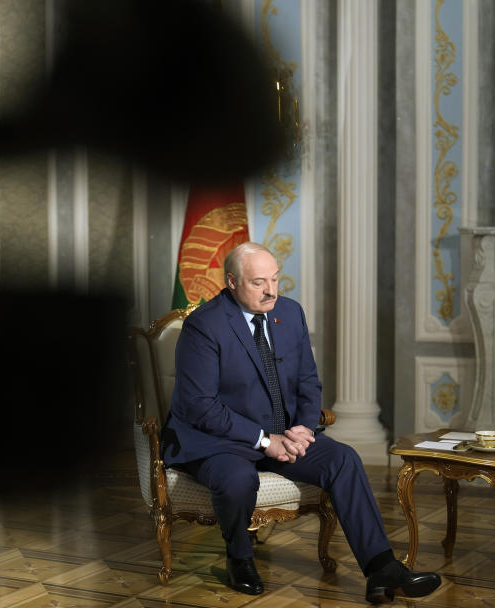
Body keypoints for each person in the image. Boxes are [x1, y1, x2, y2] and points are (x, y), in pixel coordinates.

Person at [160, 242, 440, 604]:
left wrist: (305, 429)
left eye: (275, 279)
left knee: (344, 459)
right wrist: (264, 440)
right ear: (231, 282)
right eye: (259, 282)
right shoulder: (204, 325)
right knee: (237, 479)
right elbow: (200, 407)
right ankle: (240, 558)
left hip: (284, 436)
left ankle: (382, 569)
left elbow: (308, 381)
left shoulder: (289, 313)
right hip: (219, 440)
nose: (271, 290)